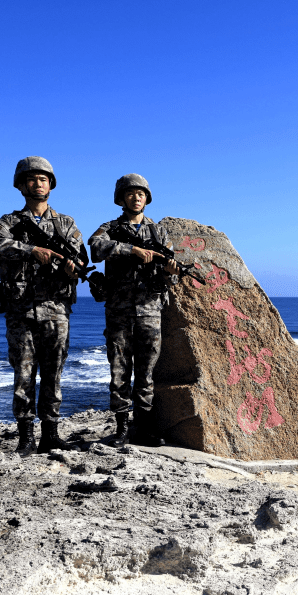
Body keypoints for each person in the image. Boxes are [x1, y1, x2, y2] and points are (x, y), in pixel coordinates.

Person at [0, 156, 88, 456]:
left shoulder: (66, 223)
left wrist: (73, 269)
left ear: (51, 185)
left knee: (54, 373)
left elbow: (81, 260)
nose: (38, 183)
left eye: (43, 179)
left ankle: (51, 434)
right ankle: (26, 438)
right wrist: (31, 250)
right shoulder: (10, 222)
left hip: (56, 308)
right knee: (24, 374)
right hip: (21, 310)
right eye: (32, 179)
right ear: (21, 186)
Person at [89, 173, 178, 447]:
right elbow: (95, 248)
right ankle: (121, 428)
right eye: (130, 193)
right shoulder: (110, 227)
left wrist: (171, 271)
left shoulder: (158, 232)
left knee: (146, 371)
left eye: (140, 194)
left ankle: (144, 427)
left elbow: (171, 276)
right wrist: (132, 250)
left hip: (150, 310)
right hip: (119, 311)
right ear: (121, 199)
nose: (136, 198)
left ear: (147, 199)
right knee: (119, 370)